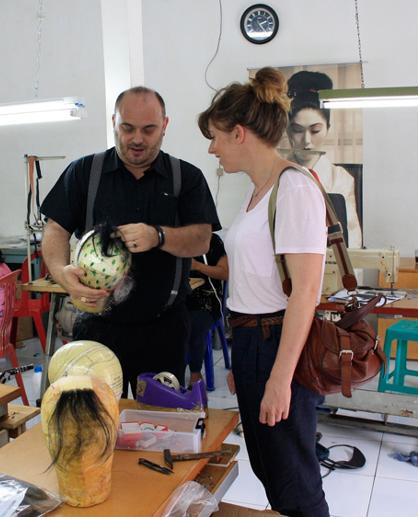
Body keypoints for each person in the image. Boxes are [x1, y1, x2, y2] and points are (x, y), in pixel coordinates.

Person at [198, 67, 329, 516]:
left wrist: (278, 378)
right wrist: (242, 357)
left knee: (294, 480)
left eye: (215, 136)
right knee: (270, 468)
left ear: (238, 133)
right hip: (254, 342)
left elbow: (305, 291)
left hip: (279, 346)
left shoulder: (293, 188)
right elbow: (253, 280)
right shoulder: (257, 193)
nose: (212, 148)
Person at [41, 86, 221, 397]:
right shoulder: (85, 172)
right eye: (127, 128)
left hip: (164, 330)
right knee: (96, 425)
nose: (137, 139)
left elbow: (202, 240)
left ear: (164, 125)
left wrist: (159, 235)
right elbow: (55, 229)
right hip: (97, 326)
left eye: (148, 129)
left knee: (157, 426)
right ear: (114, 122)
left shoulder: (186, 178)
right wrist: (62, 273)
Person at [286, 70, 362, 248]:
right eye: (298, 130)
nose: (306, 140)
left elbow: (352, 243)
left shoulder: (341, 179)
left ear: (328, 128)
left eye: (315, 130)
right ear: (288, 130)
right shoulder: (277, 174)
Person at [184, 233, 228, 386]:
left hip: (208, 301)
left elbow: (224, 272)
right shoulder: (177, 241)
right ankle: (171, 371)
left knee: (194, 324)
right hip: (183, 298)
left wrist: (197, 266)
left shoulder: (213, 241)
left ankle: (195, 374)